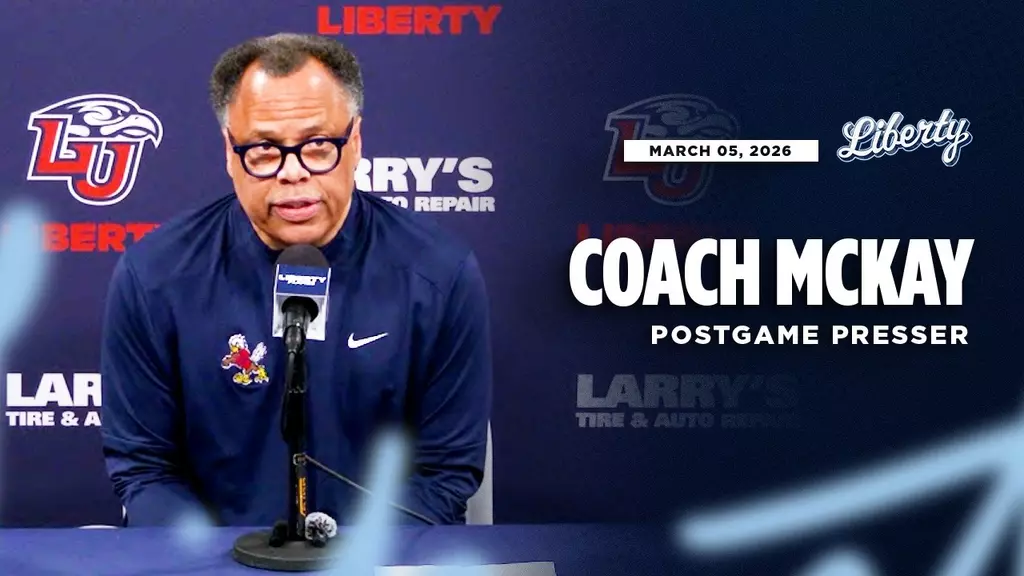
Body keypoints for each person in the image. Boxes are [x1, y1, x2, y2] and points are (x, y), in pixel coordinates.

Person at [99, 33, 493, 527]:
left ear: (356, 142)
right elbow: (145, 470)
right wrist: (217, 558)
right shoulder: (155, 276)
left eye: (318, 146)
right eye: (264, 150)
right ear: (229, 151)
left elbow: (444, 474)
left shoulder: (439, 274)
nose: (293, 173)